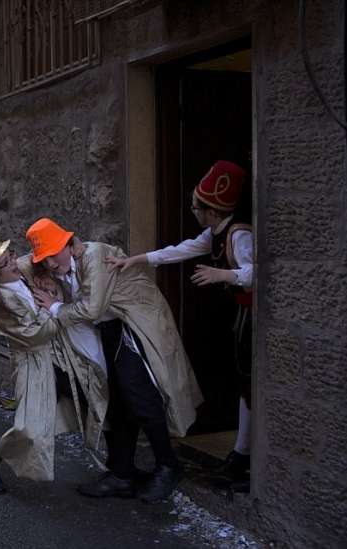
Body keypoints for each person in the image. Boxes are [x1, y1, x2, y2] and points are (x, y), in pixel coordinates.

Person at [28, 218, 204, 503]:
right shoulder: (61, 266)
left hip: (133, 325)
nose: (48, 263)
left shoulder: (93, 254)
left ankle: (169, 465)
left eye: (52, 254)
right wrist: (48, 282)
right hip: (111, 330)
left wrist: (55, 306)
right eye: (43, 259)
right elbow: (31, 267)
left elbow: (91, 307)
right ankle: (122, 474)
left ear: (67, 242)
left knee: (138, 393)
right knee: (118, 399)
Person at [104, 160, 253, 492]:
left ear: (210, 212)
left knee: (249, 387)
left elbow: (257, 272)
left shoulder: (238, 234)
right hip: (242, 318)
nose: (193, 211)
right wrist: (136, 260)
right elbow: (180, 250)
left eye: (196, 207)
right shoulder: (215, 232)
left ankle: (242, 456)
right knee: (244, 385)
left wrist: (224, 275)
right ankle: (240, 455)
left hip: (252, 318)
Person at [0, 236, 108, 495]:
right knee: (30, 428)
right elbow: (35, 334)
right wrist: (53, 305)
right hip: (32, 363)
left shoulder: (22, 267)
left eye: (10, 254)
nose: (13, 261)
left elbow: (51, 254)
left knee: (94, 396)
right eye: (5, 262)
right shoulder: (0, 305)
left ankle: (119, 468)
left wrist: (72, 248)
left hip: (58, 355)